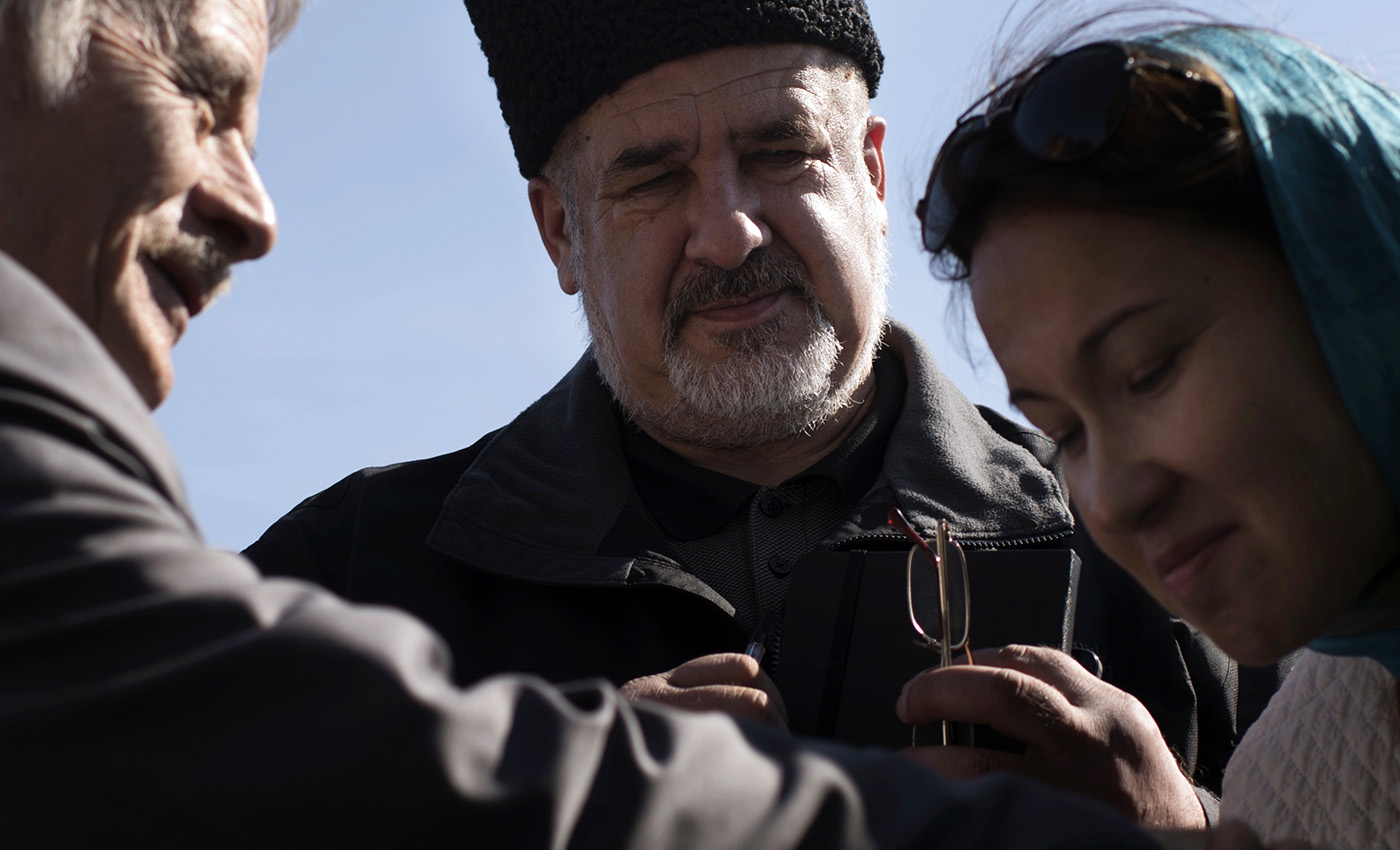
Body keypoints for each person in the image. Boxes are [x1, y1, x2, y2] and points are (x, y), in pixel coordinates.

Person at [0, 0, 1279, 847]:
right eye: (652, 178)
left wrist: (1181, 828)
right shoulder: (344, 574)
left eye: (781, 152)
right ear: (559, 232)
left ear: (872, 171)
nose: (727, 230)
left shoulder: (1167, 542)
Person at [910, 18, 1400, 850]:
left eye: (1147, 372)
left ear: (1352, 281)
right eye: (1063, 432)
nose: (1113, 498)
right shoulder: (1286, 781)